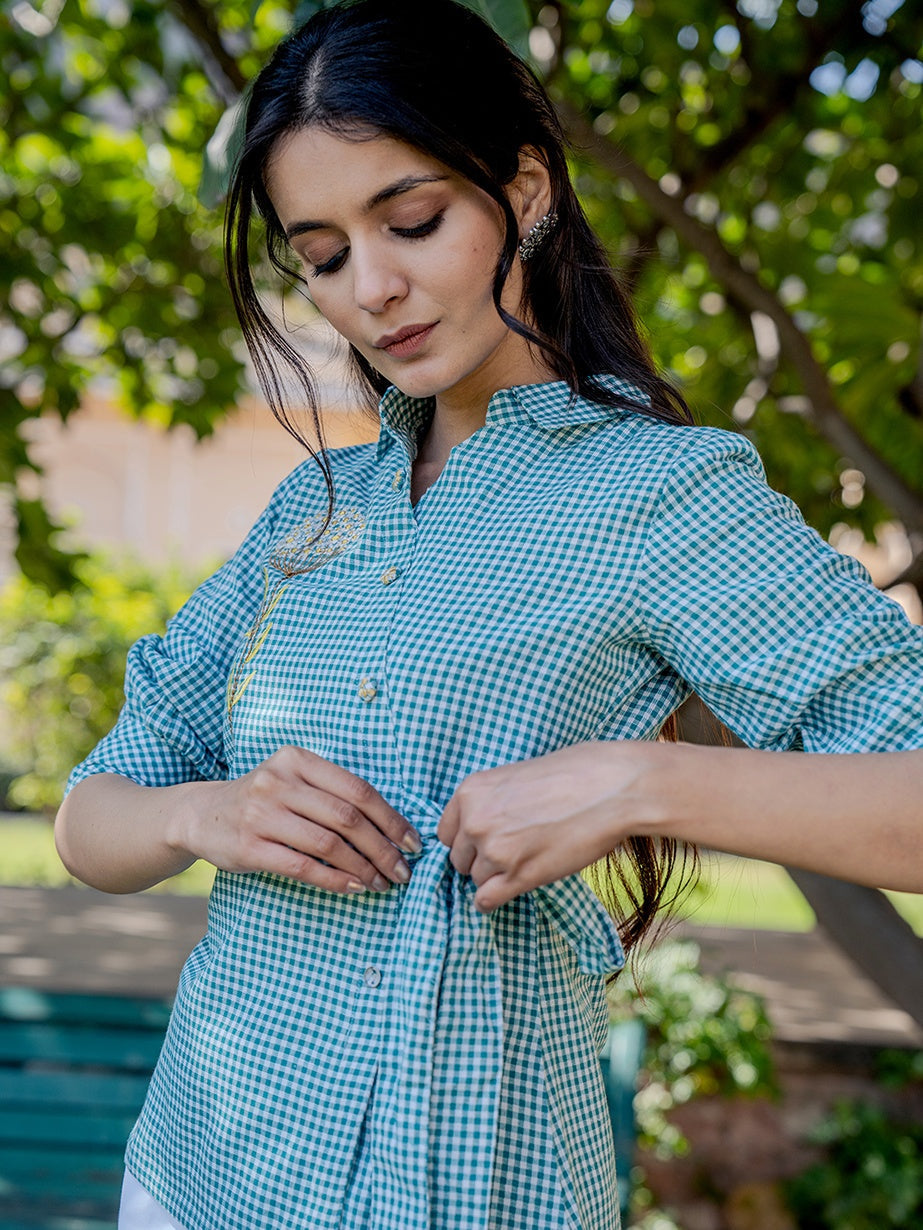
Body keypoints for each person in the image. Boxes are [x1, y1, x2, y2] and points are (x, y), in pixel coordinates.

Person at [55, 2, 923, 1228]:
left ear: (523, 194)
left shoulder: (661, 493)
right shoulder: (314, 507)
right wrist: (205, 813)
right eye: (322, 254)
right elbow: (90, 818)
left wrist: (642, 785)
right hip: (198, 1168)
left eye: (410, 221)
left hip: (466, 1188)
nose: (373, 289)